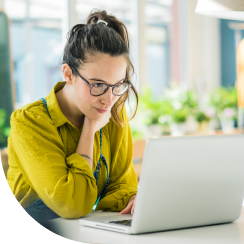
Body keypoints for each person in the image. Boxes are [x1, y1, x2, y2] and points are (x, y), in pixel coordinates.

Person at [7, 9, 139, 223]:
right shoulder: (28, 122)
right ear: (68, 74)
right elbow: (72, 204)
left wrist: (133, 198)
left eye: (118, 85)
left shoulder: (112, 112)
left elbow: (122, 184)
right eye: (98, 85)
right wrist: (90, 128)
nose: (109, 99)